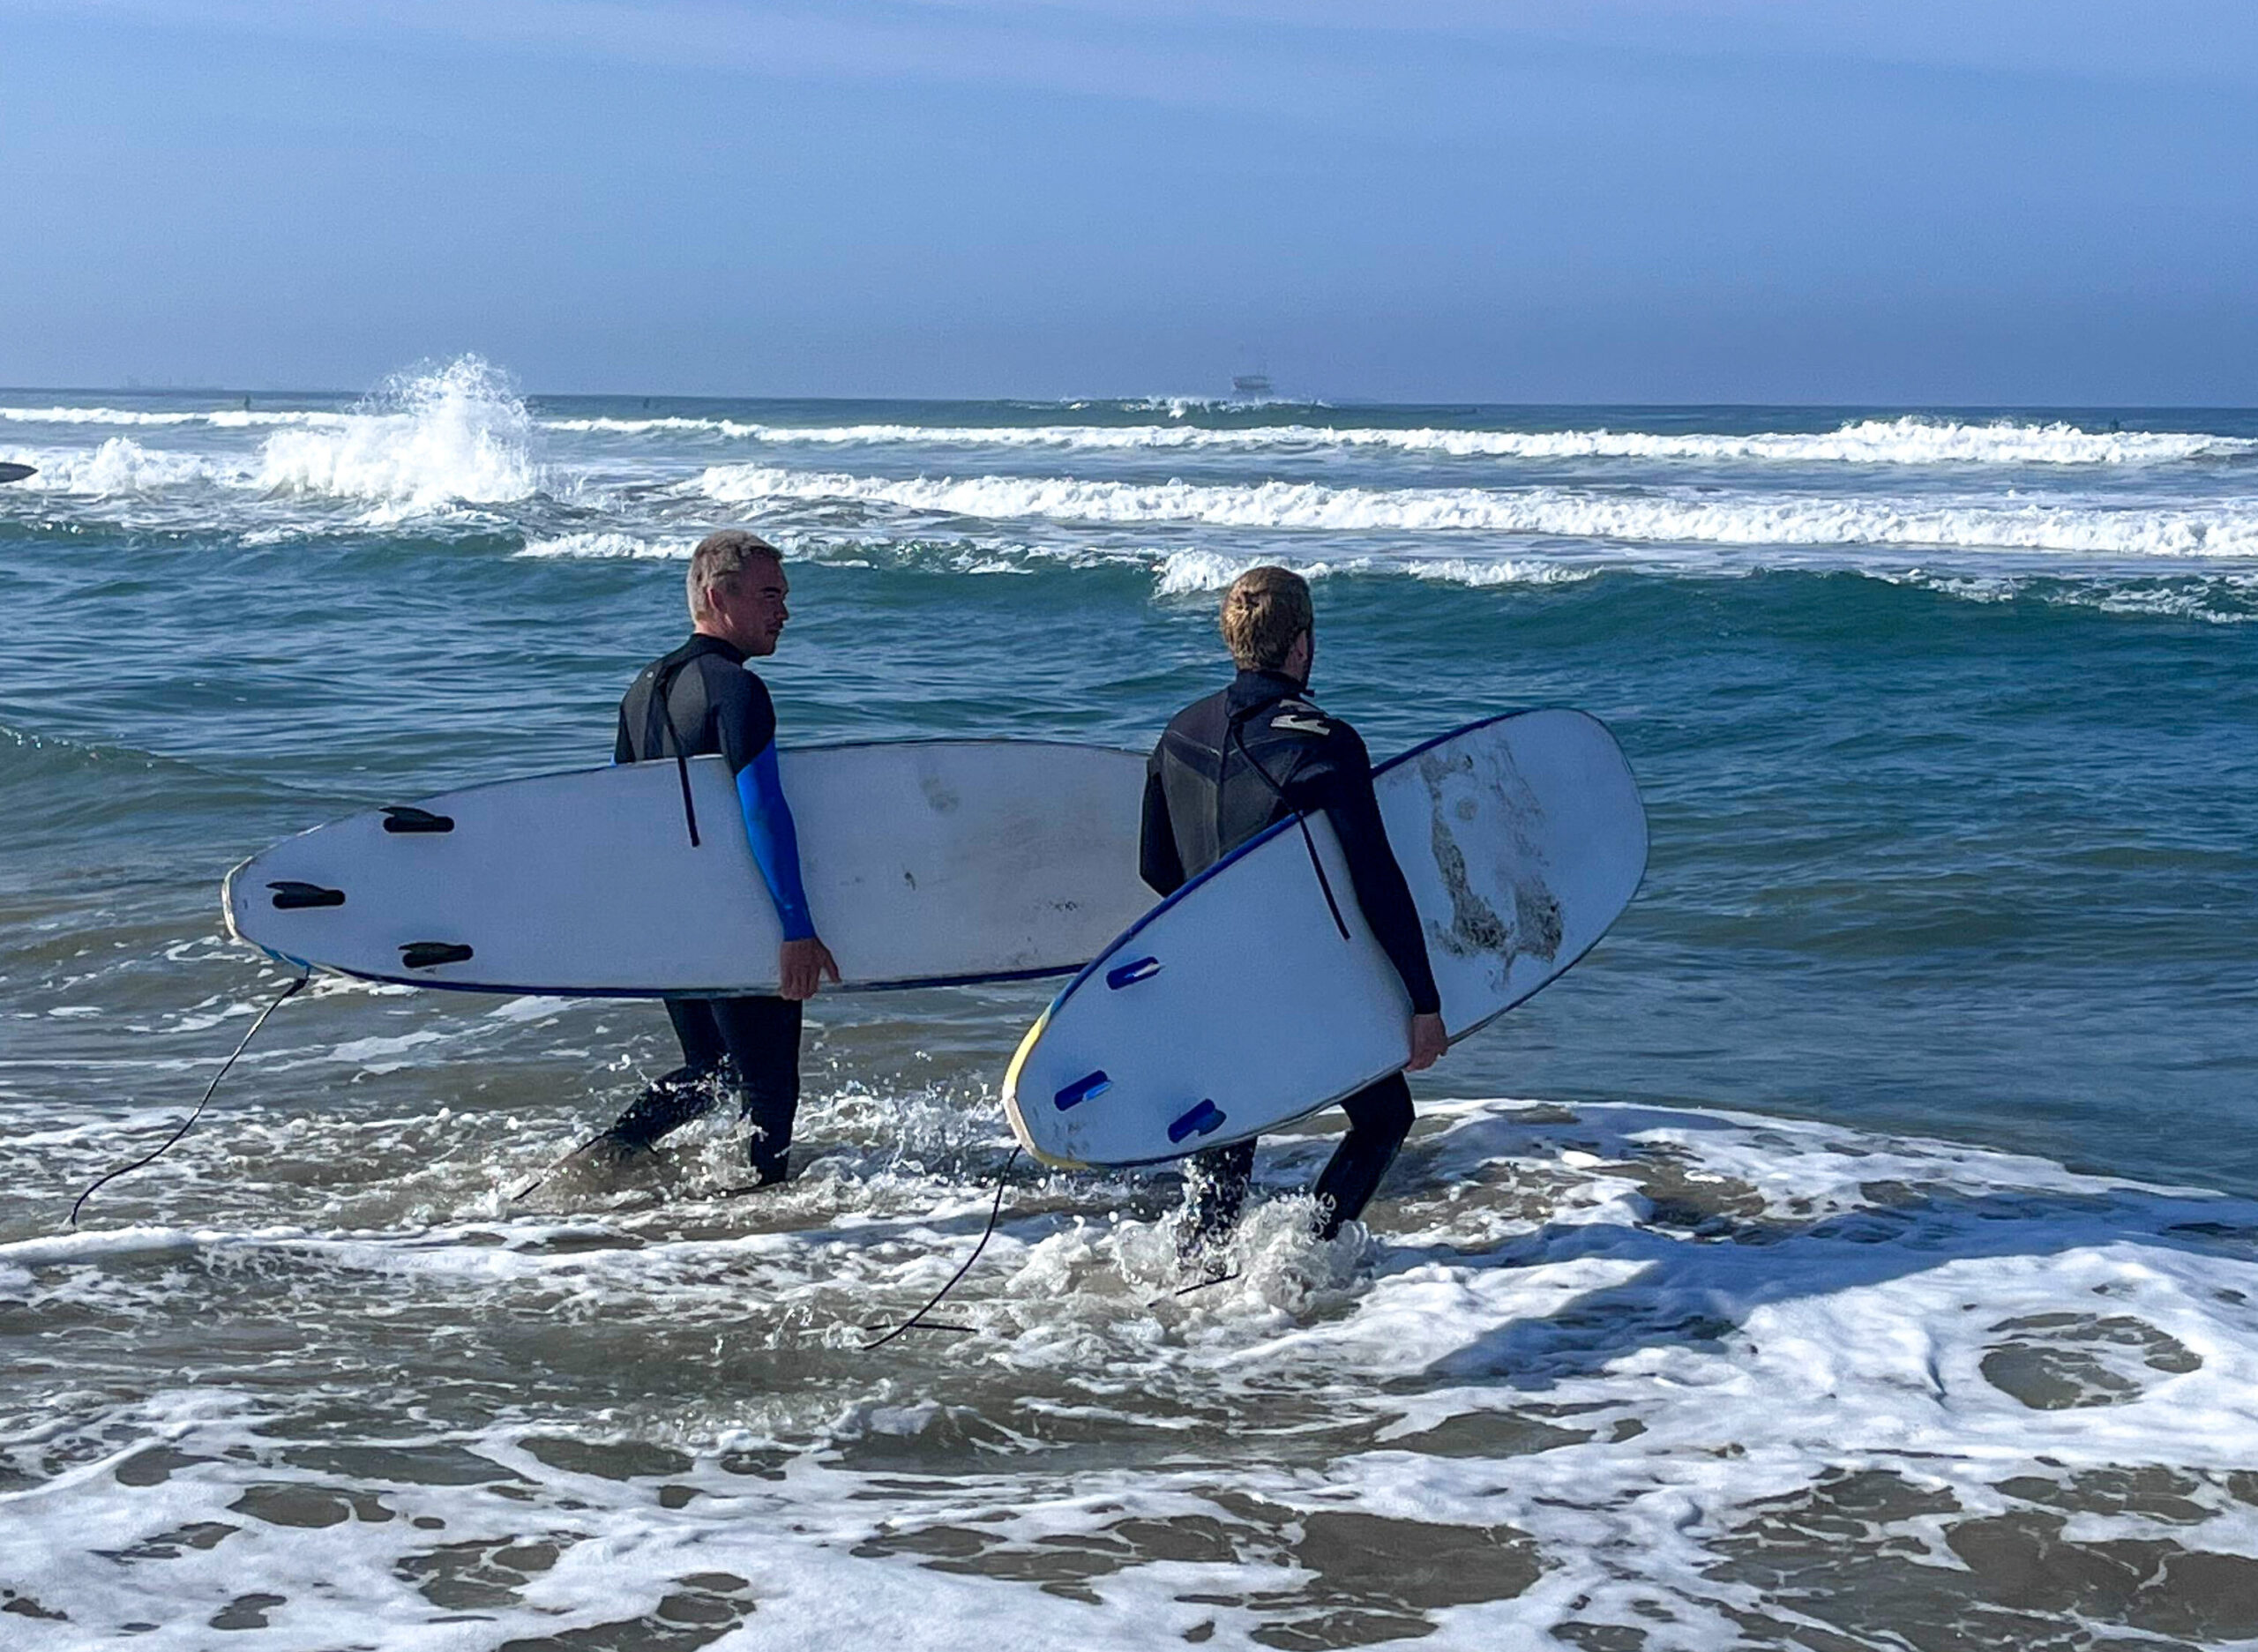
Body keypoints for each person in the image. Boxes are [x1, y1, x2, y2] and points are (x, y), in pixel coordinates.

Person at [1140, 566, 1447, 1252]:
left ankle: (1199, 1279)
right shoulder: (1324, 744)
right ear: (1301, 644)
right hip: (1296, 984)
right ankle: (1302, 1257)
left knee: (1231, 1133)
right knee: (1384, 1114)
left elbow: (1155, 867)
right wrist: (1422, 1002)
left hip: (1209, 981)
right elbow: (1376, 881)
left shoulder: (1179, 731)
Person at [599, 529, 840, 1185]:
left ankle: (607, 1157)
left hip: (672, 918)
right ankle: (762, 1222)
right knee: (768, 1087)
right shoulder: (735, 688)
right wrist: (796, 927)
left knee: (711, 1070)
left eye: (784, 597)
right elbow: (762, 808)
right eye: (768, 596)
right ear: (717, 595)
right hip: (735, 915)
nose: (783, 612)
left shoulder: (641, 689)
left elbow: (623, 815)